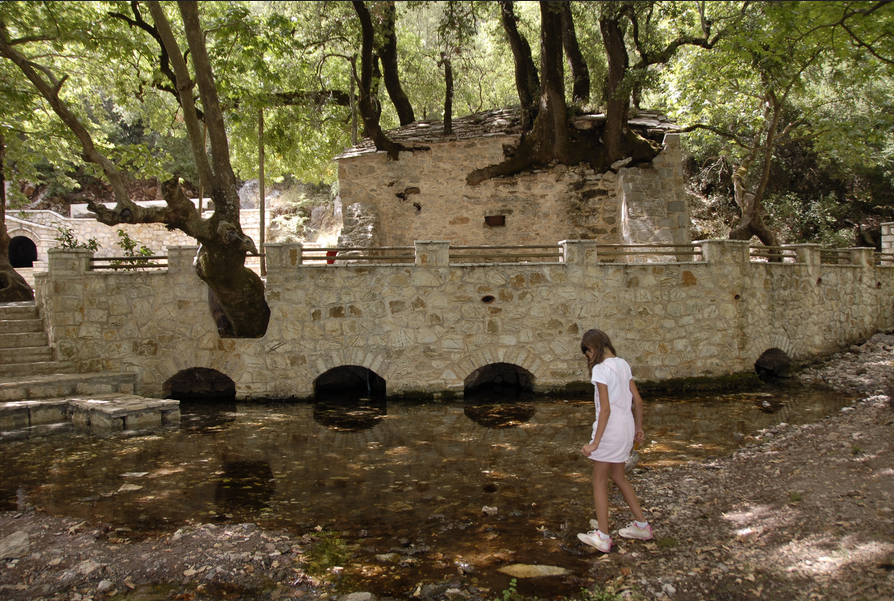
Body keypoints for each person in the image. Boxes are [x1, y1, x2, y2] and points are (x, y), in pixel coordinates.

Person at [577, 329, 653, 553]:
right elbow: (638, 401)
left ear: (594, 347)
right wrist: (638, 428)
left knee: (599, 482)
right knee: (619, 477)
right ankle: (641, 526)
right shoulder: (623, 364)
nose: (587, 357)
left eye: (586, 351)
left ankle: (603, 537)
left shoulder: (600, 370)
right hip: (626, 427)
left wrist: (595, 443)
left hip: (609, 431)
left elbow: (605, 410)